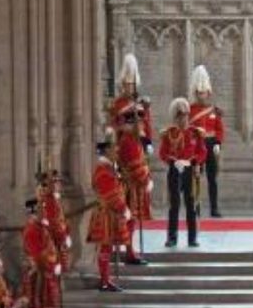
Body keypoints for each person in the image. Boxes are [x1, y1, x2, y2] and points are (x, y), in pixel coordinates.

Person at [158, 97, 207, 248]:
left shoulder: (195, 133)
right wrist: (173, 162)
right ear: (176, 117)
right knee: (174, 205)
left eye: (186, 114)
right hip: (175, 170)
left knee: (191, 205)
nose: (184, 117)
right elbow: (163, 153)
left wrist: (195, 162)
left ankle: (192, 238)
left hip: (190, 171)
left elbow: (202, 151)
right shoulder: (169, 133)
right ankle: (172, 237)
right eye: (180, 115)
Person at [86, 133, 131, 292]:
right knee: (105, 247)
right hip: (106, 213)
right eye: (114, 149)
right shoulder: (103, 170)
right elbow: (110, 193)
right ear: (107, 151)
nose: (117, 151)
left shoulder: (109, 168)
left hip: (110, 213)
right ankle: (105, 281)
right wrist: (122, 208)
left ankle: (106, 279)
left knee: (107, 247)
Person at [189, 65, 226, 218]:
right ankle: (195, 207)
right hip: (197, 145)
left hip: (211, 145)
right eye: (199, 93)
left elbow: (219, 129)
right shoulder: (190, 110)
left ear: (208, 93)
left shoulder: (214, 111)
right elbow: (189, 129)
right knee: (196, 177)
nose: (201, 95)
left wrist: (218, 142)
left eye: (203, 92)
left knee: (212, 179)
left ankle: (214, 208)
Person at [116, 110, 152, 265]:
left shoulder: (134, 139)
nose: (143, 125)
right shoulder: (128, 141)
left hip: (136, 186)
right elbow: (135, 166)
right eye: (140, 123)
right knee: (129, 221)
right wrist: (146, 178)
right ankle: (129, 251)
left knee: (132, 221)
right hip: (131, 187)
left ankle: (130, 250)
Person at [20, 199, 61, 308]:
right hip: (39, 266)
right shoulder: (32, 229)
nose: (44, 213)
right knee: (38, 290)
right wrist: (51, 260)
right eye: (41, 210)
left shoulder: (40, 227)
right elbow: (37, 252)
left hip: (45, 265)